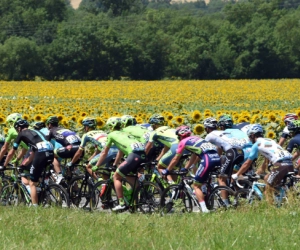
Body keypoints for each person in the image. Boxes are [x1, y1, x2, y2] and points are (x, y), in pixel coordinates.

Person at [94, 117, 146, 211]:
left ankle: (121, 203)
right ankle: (134, 200)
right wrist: (115, 164)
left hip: (134, 155)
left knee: (116, 176)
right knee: (132, 177)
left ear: (110, 126)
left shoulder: (111, 135)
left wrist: (96, 166)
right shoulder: (125, 133)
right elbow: (120, 151)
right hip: (143, 154)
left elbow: (104, 153)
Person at [164, 125, 221, 213]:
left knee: (196, 185)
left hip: (207, 159)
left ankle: (204, 210)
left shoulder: (183, 142)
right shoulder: (197, 138)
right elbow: (194, 155)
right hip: (217, 158)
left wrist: (167, 170)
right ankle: (207, 195)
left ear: (180, 136)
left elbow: (176, 159)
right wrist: (186, 168)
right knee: (203, 182)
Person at [232, 124, 293, 203]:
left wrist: (237, 174)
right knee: (266, 177)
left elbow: (247, 163)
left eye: (250, 136)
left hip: (280, 164)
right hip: (289, 163)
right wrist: (258, 172)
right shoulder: (270, 141)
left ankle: (271, 210)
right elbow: (266, 162)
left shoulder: (257, 144)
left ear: (253, 135)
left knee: (268, 188)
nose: (250, 139)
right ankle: (280, 200)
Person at [2, 119, 54, 207]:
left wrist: (4, 165)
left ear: (18, 128)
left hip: (41, 153)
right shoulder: (36, 132)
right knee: (38, 178)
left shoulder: (21, 134)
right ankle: (44, 197)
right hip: (50, 152)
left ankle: (35, 208)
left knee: (32, 183)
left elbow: (11, 152)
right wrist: (23, 165)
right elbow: (33, 153)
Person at [204, 117, 251, 206]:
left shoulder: (214, 134)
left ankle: (226, 204)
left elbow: (205, 149)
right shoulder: (230, 131)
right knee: (235, 173)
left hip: (232, 152)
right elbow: (220, 148)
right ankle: (241, 194)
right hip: (244, 152)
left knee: (222, 178)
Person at [145, 114, 186, 183]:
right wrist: (157, 159)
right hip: (185, 147)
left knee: (160, 167)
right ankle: (175, 189)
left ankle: (172, 187)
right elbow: (166, 148)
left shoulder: (155, 132)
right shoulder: (170, 129)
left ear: (154, 125)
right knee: (171, 169)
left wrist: (141, 159)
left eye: (151, 125)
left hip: (176, 147)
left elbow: (147, 148)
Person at [46, 116, 81, 181]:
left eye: (48, 125)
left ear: (50, 124)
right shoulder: (66, 129)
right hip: (80, 149)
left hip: (71, 148)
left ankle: (59, 175)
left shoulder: (51, 130)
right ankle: (73, 186)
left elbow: (46, 143)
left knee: (52, 156)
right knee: (69, 170)